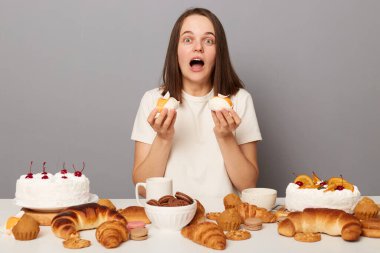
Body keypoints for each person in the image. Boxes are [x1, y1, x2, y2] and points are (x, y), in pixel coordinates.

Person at [131, 8, 262, 199]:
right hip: (170, 220)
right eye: (187, 39)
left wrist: (226, 137)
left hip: (224, 223)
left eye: (208, 41)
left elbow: (248, 185)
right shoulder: (152, 101)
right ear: (175, 50)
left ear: (219, 53)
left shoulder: (240, 101)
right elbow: (143, 189)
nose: (198, 47)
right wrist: (163, 138)